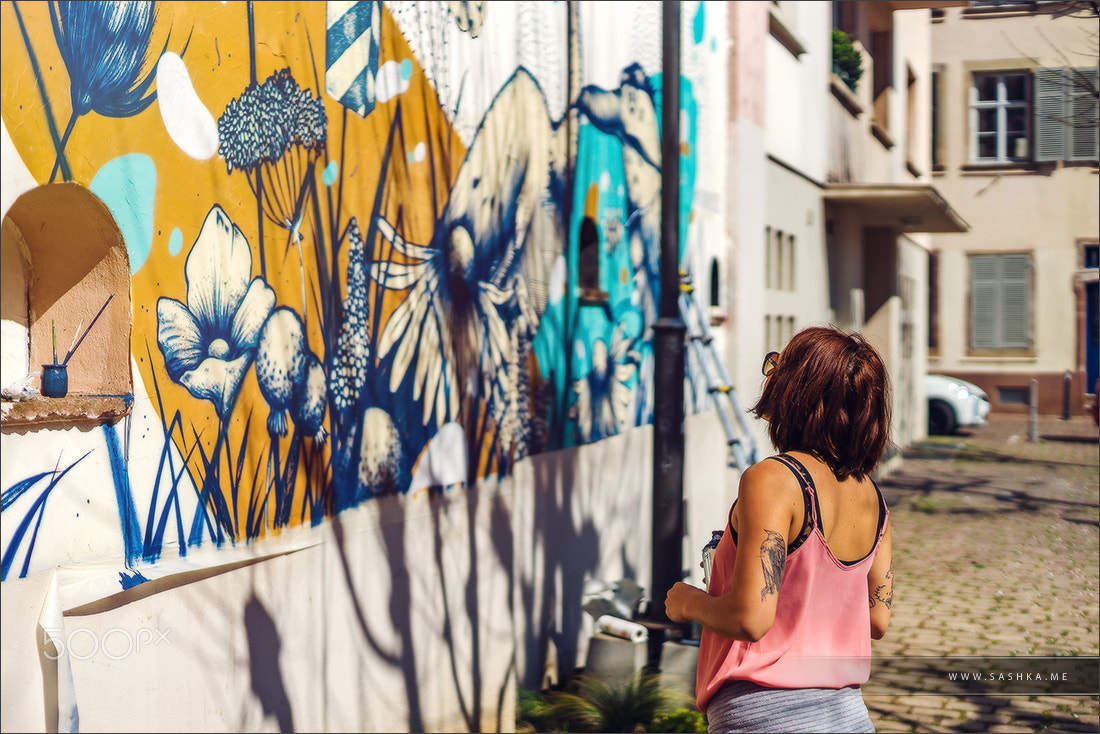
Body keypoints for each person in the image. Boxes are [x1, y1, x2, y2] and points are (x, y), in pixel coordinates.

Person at [665, 325, 895, 733]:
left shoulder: (773, 481)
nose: (770, 373)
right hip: (846, 714)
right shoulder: (873, 499)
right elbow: (877, 620)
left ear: (801, 390)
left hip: (767, 713)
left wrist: (688, 603)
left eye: (779, 364)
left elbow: (751, 618)